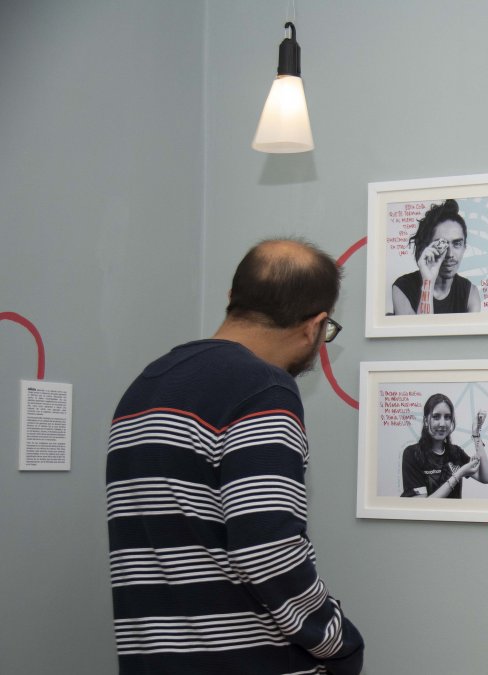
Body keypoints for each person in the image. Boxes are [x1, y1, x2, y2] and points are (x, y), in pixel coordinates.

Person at [106, 239, 364, 675]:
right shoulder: (263, 391)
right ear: (314, 326)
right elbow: (267, 548)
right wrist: (338, 640)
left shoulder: (145, 387)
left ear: (232, 300)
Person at [391, 199, 482, 315]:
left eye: (457, 244)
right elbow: (420, 331)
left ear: (464, 247)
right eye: (441, 244)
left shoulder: (471, 293)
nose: (449, 254)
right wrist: (428, 281)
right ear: (427, 247)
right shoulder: (402, 288)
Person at [400, 393, 488, 498]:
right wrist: (458, 474)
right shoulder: (412, 454)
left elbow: (486, 478)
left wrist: (476, 434)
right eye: (436, 417)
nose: (442, 423)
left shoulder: (456, 452)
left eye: (447, 417)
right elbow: (423, 506)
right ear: (426, 421)